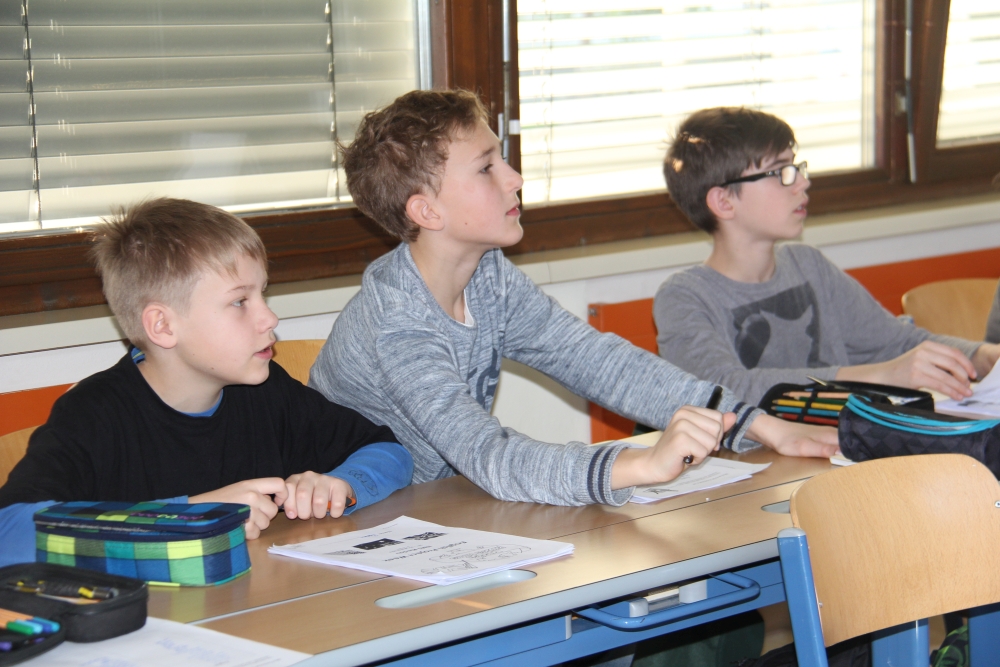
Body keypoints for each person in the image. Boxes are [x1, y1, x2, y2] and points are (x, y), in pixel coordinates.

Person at [308, 90, 838, 508]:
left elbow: (598, 362)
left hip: (442, 511)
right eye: (486, 168)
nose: (514, 178)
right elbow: (489, 457)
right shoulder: (396, 319)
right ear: (427, 212)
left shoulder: (489, 276)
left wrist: (761, 425)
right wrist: (641, 464)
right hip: (356, 527)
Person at [0, 198, 412, 567]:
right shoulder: (94, 413)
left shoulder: (265, 390)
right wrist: (187, 516)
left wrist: (340, 486)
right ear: (163, 326)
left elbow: (389, 452)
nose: (269, 318)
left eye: (262, 294)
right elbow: (9, 532)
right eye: (239, 301)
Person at [654, 107, 1000, 406]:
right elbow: (721, 391)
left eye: (798, 168)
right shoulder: (684, 297)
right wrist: (880, 375)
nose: (802, 183)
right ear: (724, 202)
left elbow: (897, 344)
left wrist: (982, 357)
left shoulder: (808, 265)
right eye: (781, 172)